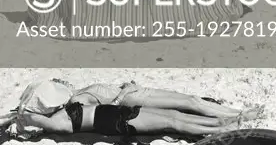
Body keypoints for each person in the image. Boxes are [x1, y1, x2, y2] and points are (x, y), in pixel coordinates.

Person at [1, 79, 260, 139]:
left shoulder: (70, 105)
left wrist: (20, 114)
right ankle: (224, 127)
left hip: (120, 113)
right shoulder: (60, 120)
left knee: (177, 117)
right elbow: (27, 118)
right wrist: (21, 115)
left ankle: (231, 120)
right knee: (175, 121)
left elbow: (24, 117)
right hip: (120, 121)